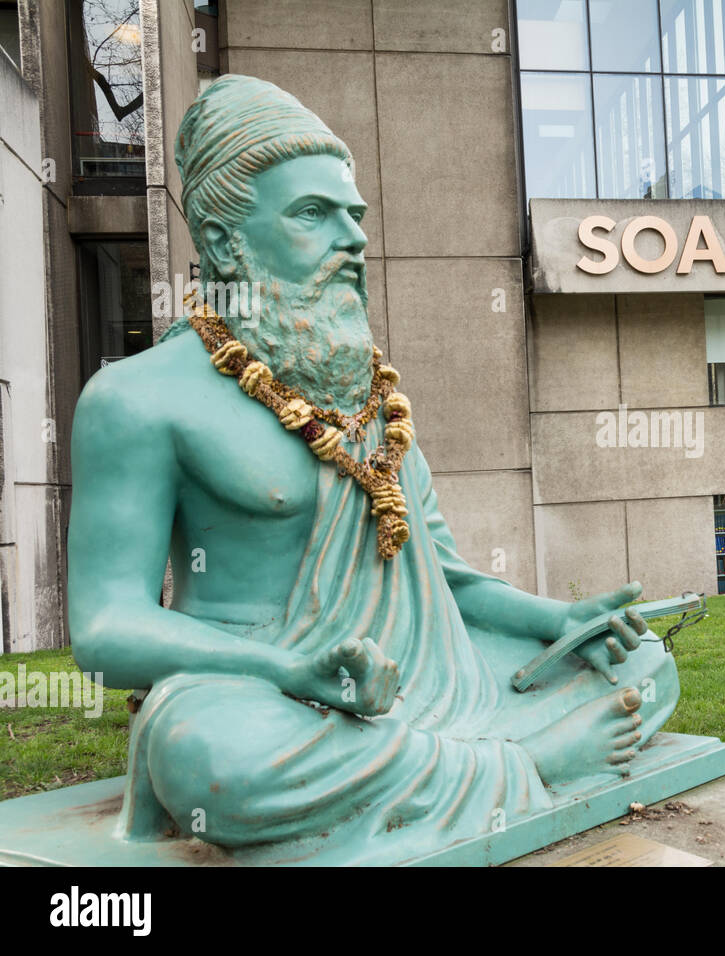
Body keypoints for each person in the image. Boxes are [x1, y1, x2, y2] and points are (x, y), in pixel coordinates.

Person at [66, 76, 677, 852]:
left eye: (354, 217)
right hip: (258, 693)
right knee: (210, 763)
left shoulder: (367, 396)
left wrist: (559, 621)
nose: (353, 241)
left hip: (427, 681)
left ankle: (456, 763)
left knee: (642, 667)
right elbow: (105, 629)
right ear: (224, 242)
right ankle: (521, 766)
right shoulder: (137, 399)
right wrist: (289, 669)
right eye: (313, 216)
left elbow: (445, 578)